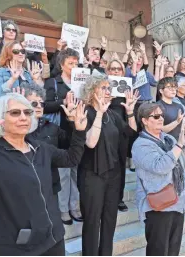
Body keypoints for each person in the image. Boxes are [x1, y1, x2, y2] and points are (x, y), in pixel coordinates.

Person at [0, 93, 87, 256]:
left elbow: (71, 158)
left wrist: (79, 131)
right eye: (15, 113)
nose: (23, 117)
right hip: (18, 248)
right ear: (0, 118)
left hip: (54, 240)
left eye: (27, 112)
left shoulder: (41, 148)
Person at [77, 75, 139, 255]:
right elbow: (90, 143)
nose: (107, 91)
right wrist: (99, 113)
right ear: (92, 91)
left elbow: (131, 131)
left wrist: (130, 112)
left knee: (110, 220)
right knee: (92, 221)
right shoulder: (85, 112)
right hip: (92, 175)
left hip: (113, 174)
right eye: (103, 87)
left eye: (108, 88)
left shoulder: (112, 114)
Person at [132, 103, 185, 256]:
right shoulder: (140, 145)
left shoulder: (168, 138)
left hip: (178, 201)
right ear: (144, 120)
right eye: (155, 116)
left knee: (173, 251)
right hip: (158, 206)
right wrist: (180, 144)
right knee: (158, 251)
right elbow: (161, 167)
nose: (160, 119)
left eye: (161, 116)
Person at [43, 48, 82, 224]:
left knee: (76, 173)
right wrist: (63, 102)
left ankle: (75, 207)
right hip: (61, 132)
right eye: (70, 63)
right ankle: (63, 210)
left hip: (78, 131)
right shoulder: (53, 82)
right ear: (61, 65)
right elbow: (45, 105)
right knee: (64, 175)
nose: (74, 66)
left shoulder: (82, 82)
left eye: (76, 63)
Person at [106, 58, 130, 212]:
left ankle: (119, 198)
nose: (115, 71)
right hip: (106, 131)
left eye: (118, 69)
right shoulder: (103, 88)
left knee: (121, 166)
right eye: (113, 69)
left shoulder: (127, 88)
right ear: (108, 71)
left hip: (122, 133)